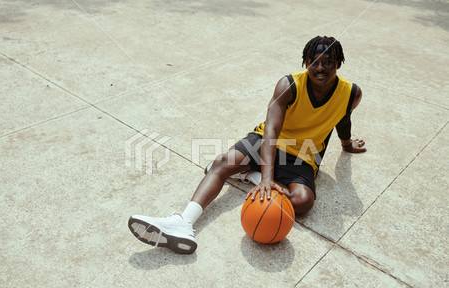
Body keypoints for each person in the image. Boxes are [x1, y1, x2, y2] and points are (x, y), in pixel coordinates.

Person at [128, 36, 367, 254]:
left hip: (303, 156)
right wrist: (267, 179)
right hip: (266, 141)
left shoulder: (351, 93)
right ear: (305, 61)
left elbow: (343, 118)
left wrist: (346, 143)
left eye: (328, 61)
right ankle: (183, 222)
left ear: (339, 62)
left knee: (303, 202)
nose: (320, 68)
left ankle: (248, 175)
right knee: (221, 163)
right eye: (313, 61)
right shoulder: (289, 85)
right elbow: (272, 131)